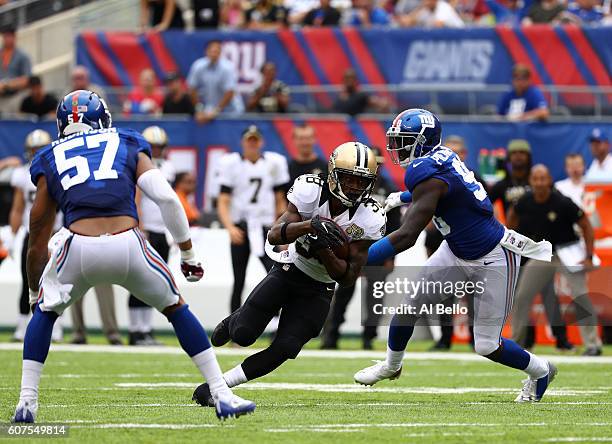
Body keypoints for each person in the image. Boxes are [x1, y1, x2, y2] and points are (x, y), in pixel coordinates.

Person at [11, 89, 255, 423]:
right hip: (127, 244)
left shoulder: (49, 156)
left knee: (45, 313)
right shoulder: (126, 141)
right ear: (102, 118)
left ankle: (26, 403)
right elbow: (167, 199)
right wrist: (187, 252)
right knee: (176, 308)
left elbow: (38, 230)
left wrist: (32, 290)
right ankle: (221, 392)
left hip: (77, 244)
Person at [355, 108, 557, 403]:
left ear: (422, 142)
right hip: (456, 248)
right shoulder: (442, 156)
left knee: (487, 345)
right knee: (409, 306)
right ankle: (390, 366)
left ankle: (541, 371)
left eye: (404, 140)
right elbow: (448, 187)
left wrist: (359, 257)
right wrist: (407, 195)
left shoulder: (426, 172)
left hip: (493, 256)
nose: (397, 147)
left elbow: (407, 236)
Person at [193, 142, 385, 407]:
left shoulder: (370, 216)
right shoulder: (311, 190)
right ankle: (233, 320)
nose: (354, 187)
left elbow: (348, 276)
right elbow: (274, 234)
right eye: (349, 178)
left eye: (361, 181)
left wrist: (325, 250)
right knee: (243, 335)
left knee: (286, 347)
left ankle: (220, 386)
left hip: (320, 287)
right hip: (290, 269)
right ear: (332, 173)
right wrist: (311, 226)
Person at [508, 165, 602, 356]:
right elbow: (510, 222)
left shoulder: (562, 202)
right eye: (536, 179)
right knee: (522, 296)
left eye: (543, 179)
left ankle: (593, 345)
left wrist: (589, 256)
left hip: (569, 252)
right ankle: (516, 344)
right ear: (531, 182)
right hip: (544, 254)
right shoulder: (524, 202)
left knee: (580, 296)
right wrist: (513, 248)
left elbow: (586, 225)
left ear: (549, 180)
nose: (540, 183)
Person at [321, 146, 400, 350]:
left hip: (378, 250)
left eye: (380, 163)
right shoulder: (349, 185)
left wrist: (391, 256)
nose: (378, 167)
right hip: (351, 247)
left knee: (374, 297)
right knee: (343, 292)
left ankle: (368, 337)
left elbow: (395, 225)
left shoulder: (387, 188)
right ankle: (331, 334)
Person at [217, 125, 289, 313]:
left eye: (255, 140)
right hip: (241, 226)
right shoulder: (232, 164)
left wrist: (280, 228)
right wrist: (230, 227)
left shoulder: (273, 163)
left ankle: (275, 324)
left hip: (266, 228)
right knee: (238, 279)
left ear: (261, 142)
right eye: (249, 140)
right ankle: (232, 327)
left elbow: (280, 200)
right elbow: (223, 201)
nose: (252, 144)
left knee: (275, 276)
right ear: (243, 142)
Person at [9, 130, 62, 343]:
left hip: (55, 234)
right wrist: (12, 236)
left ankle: (56, 328)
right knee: (28, 281)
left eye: (40, 150)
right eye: (34, 150)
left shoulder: (59, 170)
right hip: (32, 235)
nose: (37, 154)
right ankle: (22, 327)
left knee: (57, 283)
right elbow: (17, 208)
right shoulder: (22, 174)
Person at [128, 126, 176, 346]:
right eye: (152, 146)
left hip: (162, 230)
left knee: (155, 282)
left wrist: (173, 229)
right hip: (146, 229)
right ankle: (135, 330)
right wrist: (141, 226)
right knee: (139, 280)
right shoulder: (138, 164)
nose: (156, 150)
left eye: (159, 146)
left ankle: (145, 329)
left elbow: (169, 202)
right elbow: (137, 198)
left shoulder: (169, 167)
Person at [187, 40, 244, 124]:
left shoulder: (228, 68)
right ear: (206, 52)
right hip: (208, 110)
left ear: (220, 52)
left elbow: (230, 92)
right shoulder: (198, 66)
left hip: (231, 111)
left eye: (217, 51)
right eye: (212, 51)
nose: (214, 54)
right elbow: (192, 89)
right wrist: (199, 110)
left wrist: (216, 111)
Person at [0, 27, 31, 98]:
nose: (7, 39)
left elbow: (26, 79)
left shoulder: (23, 56)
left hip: (17, 96)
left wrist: (6, 84)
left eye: (9, 36)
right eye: (5, 36)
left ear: (14, 37)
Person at [396, 0, 465, 27]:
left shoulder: (443, 6)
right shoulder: (425, 10)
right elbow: (406, 22)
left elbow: (438, 25)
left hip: (461, 38)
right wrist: (420, 8)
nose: (426, 1)